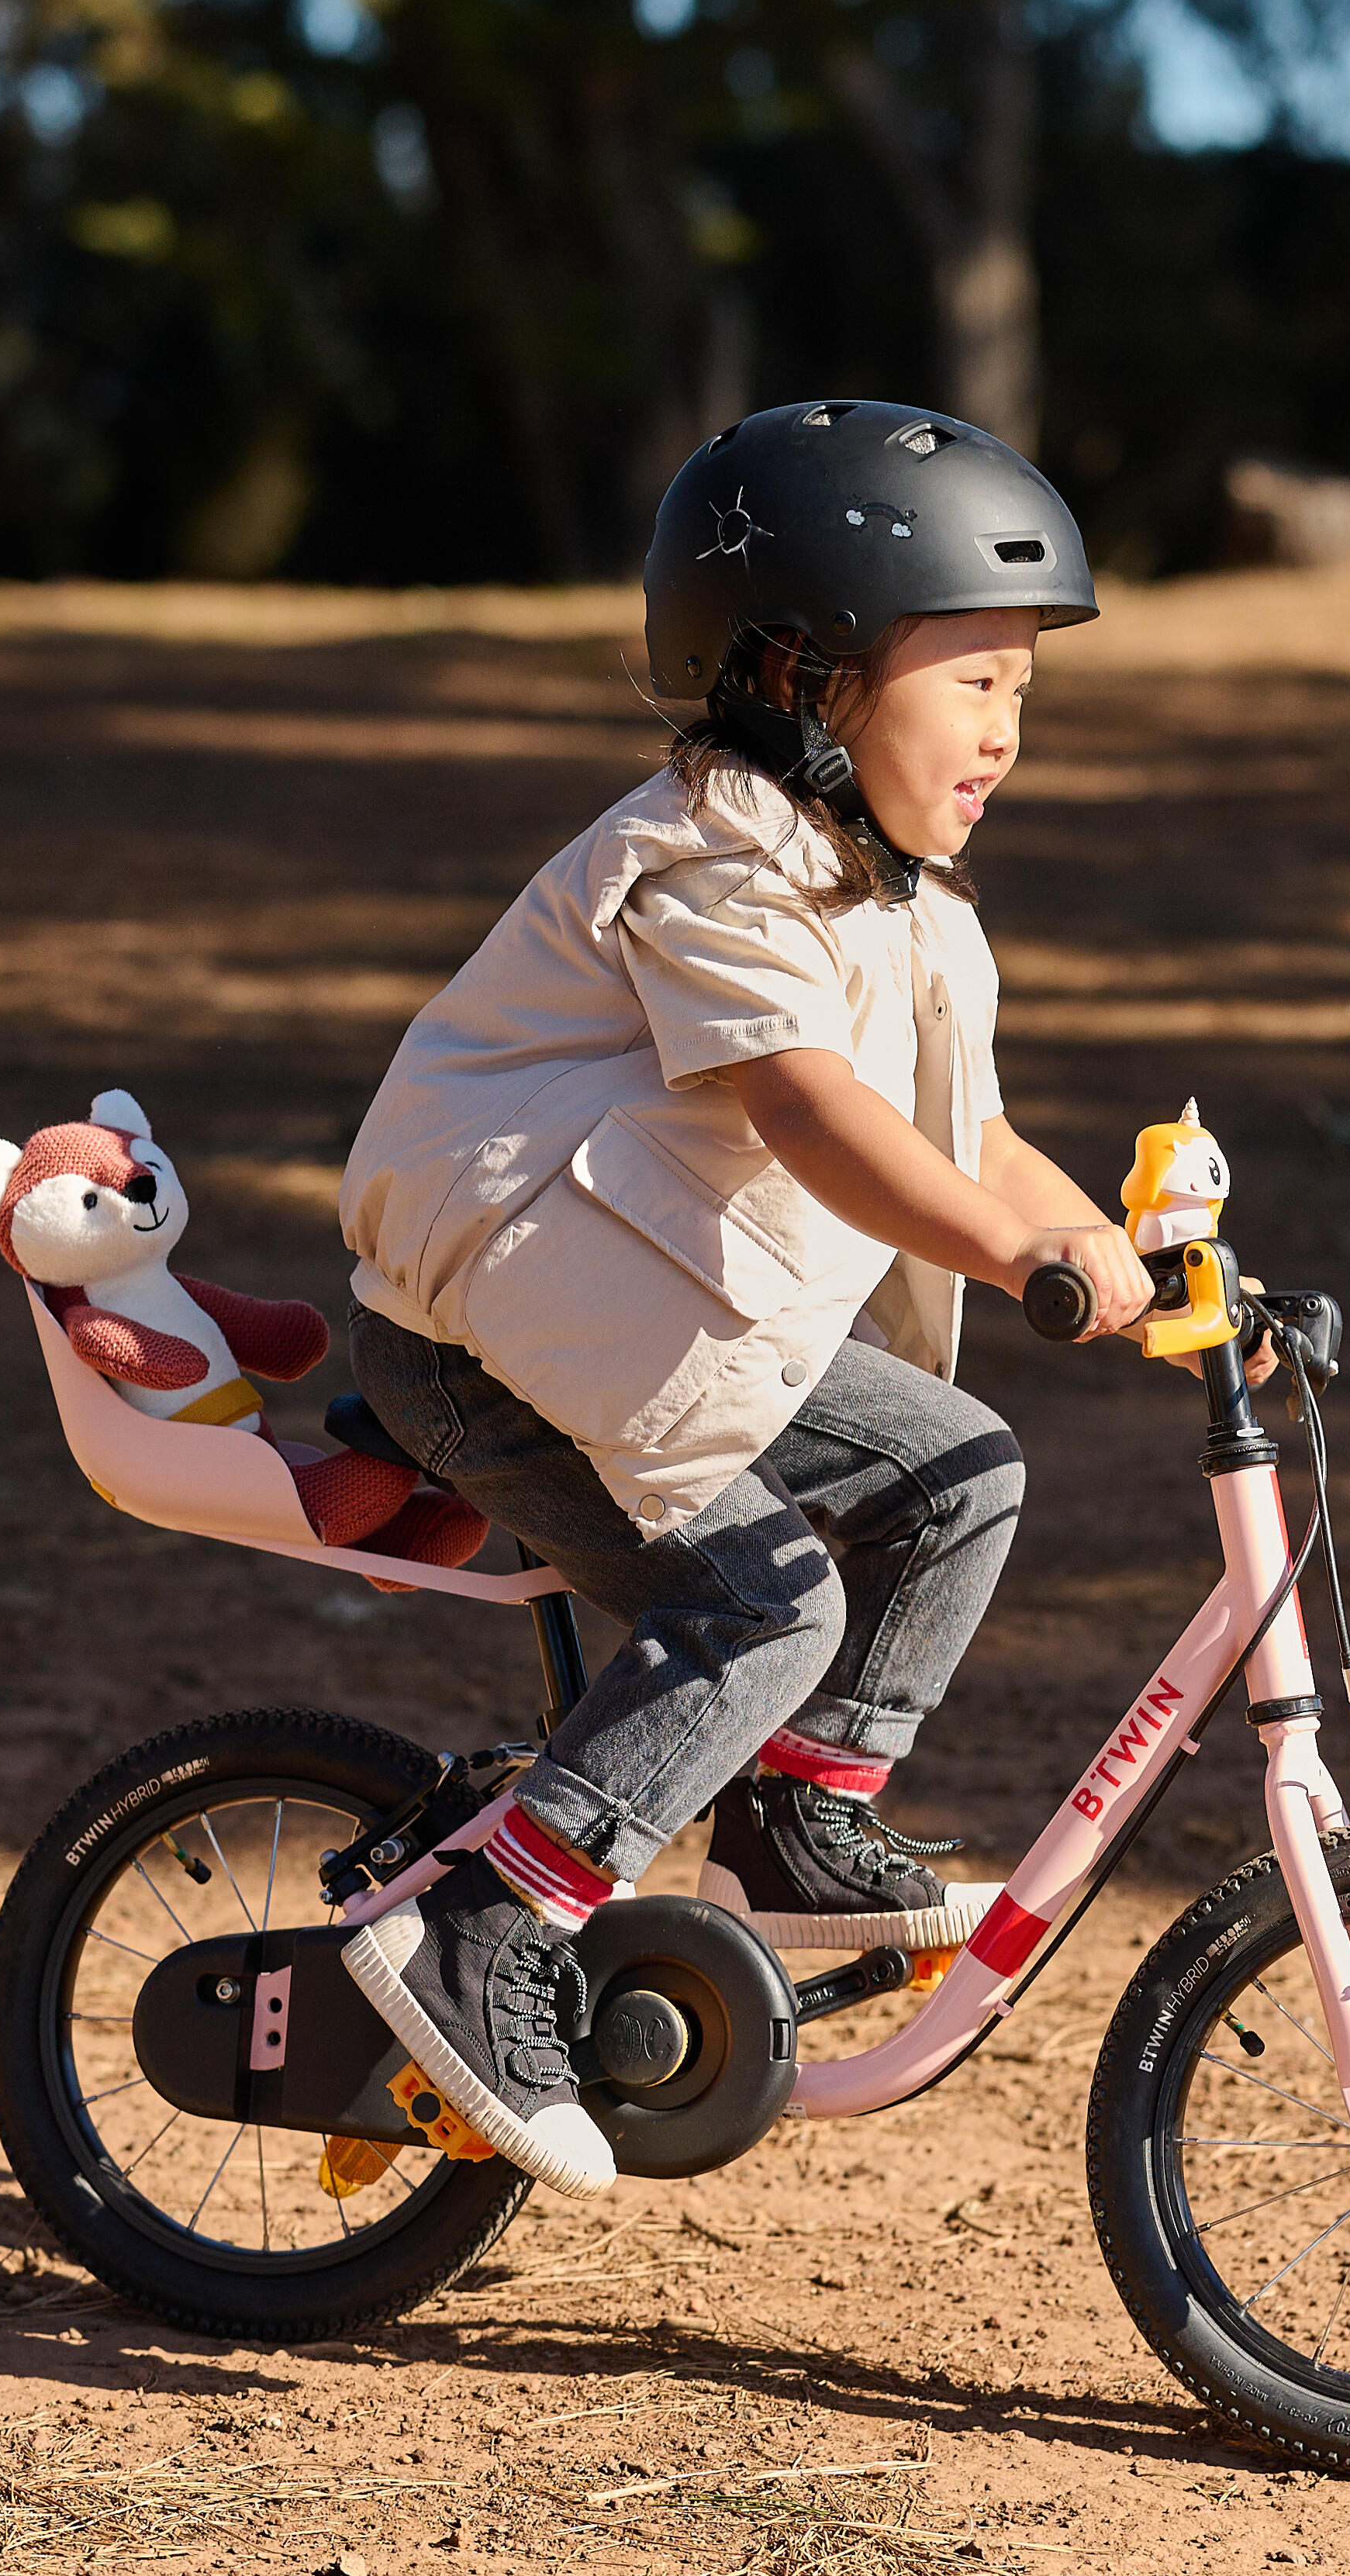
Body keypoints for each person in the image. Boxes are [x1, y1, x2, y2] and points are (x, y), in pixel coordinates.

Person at [330, 400, 1150, 2195]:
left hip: (643, 1326)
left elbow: (972, 1135)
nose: (1009, 730)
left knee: (958, 1470)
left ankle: (794, 1817)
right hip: (486, 1339)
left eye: (1026, 688)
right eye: (974, 680)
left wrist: (1141, 1261)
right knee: (762, 1609)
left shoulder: (909, 904)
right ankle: (478, 1924)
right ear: (805, 676)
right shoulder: (705, 860)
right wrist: (1019, 1261)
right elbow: (809, 1108)